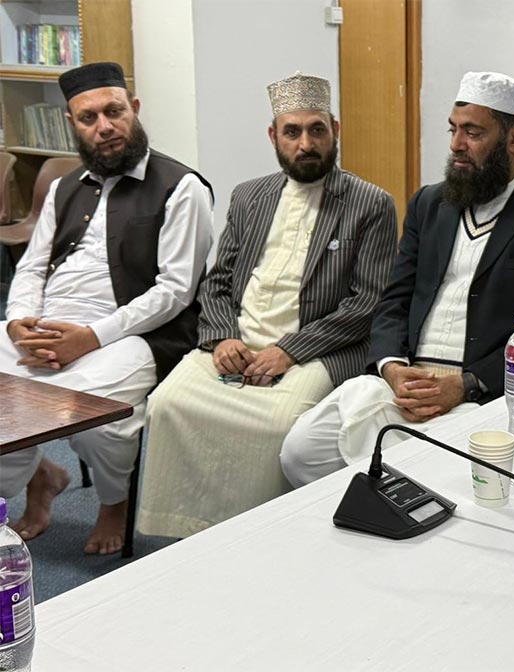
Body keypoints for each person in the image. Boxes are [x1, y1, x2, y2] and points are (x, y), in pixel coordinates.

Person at [280, 71, 514, 485]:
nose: (456, 145)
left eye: (473, 132)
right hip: (403, 383)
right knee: (300, 452)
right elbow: (394, 299)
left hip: (483, 394)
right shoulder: (431, 203)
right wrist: (392, 367)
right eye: (453, 130)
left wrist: (464, 384)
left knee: (423, 475)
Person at [136, 73, 397, 538]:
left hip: (315, 350)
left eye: (317, 130)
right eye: (292, 132)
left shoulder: (370, 203)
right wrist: (220, 338)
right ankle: (185, 533)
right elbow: (216, 281)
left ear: (335, 130)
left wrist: (289, 350)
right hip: (236, 341)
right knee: (166, 404)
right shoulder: (249, 195)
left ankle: (264, 536)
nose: (306, 143)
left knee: (279, 424)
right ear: (273, 136)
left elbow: (367, 303)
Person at [0, 62, 215, 555]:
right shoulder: (64, 186)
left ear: (134, 111)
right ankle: (40, 473)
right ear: (73, 124)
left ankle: (112, 501)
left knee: (97, 411)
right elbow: (32, 267)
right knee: (10, 402)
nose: (104, 126)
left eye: (114, 112)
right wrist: (18, 325)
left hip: (133, 333)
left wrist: (89, 337)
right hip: (46, 327)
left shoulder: (183, 187)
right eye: (89, 117)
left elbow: (175, 291)